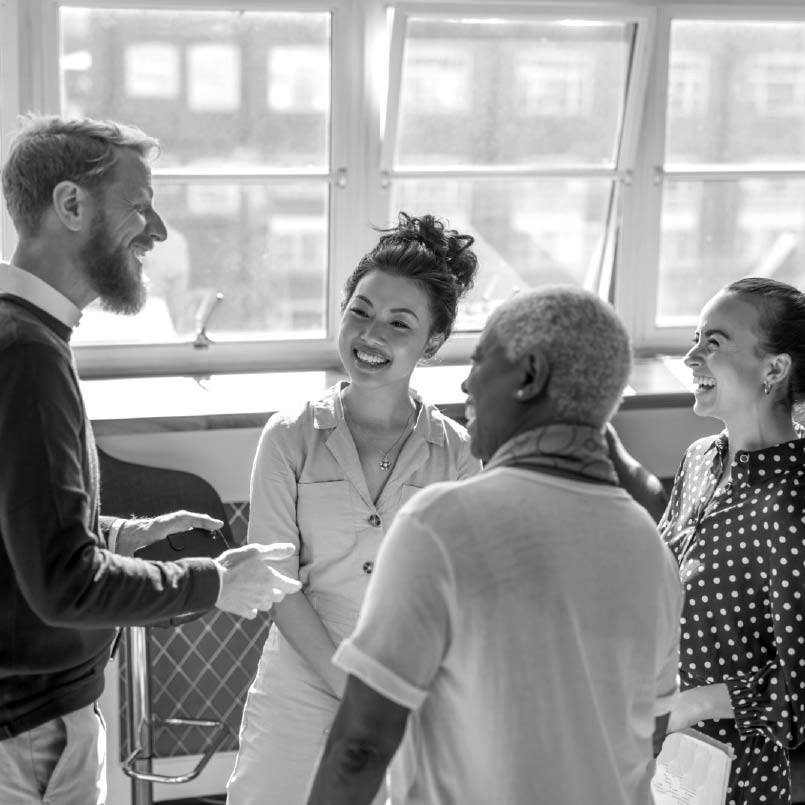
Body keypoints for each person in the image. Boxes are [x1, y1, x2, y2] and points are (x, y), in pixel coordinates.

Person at [0, 114, 301, 805]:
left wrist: (112, 535)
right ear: (70, 205)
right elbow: (64, 586)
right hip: (29, 739)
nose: (158, 231)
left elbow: (20, 537)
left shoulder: (26, 337)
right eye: (140, 206)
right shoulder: (25, 354)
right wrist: (215, 583)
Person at [307, 285, 683, 805]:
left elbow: (362, 744)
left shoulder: (441, 524)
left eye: (482, 360)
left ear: (528, 376)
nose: (465, 381)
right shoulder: (654, 552)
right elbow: (652, 734)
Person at [226, 212, 482, 804]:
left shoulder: (459, 456)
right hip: (300, 679)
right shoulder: (288, 435)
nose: (372, 336)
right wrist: (349, 683)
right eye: (360, 311)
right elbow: (277, 583)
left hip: (412, 690)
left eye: (400, 323)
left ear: (432, 342)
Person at [659, 277, 805, 805]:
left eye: (713, 344)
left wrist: (689, 705)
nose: (691, 356)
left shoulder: (793, 502)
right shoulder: (699, 459)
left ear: (774, 369)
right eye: (696, 338)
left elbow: (800, 688)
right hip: (667, 758)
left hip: (741, 778)